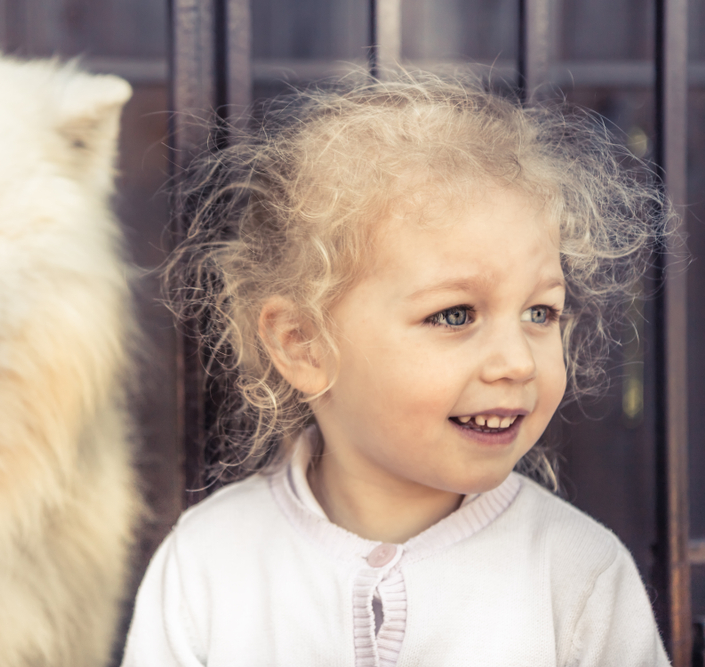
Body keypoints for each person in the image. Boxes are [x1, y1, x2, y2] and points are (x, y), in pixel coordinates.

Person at [124, 72, 673, 666]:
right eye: (455, 314)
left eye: (541, 312)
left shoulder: (579, 574)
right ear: (303, 344)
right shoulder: (208, 561)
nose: (518, 362)